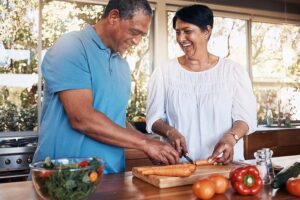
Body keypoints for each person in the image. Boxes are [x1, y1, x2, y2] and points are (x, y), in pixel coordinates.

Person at [33, 0, 180, 174]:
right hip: (63, 179)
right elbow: (82, 118)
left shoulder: (122, 66)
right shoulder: (71, 47)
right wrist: (145, 143)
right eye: (134, 32)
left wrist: (150, 143)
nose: (136, 41)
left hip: (111, 177)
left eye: (142, 35)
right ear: (113, 17)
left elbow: (115, 119)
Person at [146, 4, 257, 164]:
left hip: (223, 165)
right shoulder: (164, 72)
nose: (181, 38)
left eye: (187, 31)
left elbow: (245, 118)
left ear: (207, 31)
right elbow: (154, 118)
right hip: (179, 166)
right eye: (177, 32)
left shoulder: (233, 71)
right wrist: (170, 132)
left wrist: (231, 138)